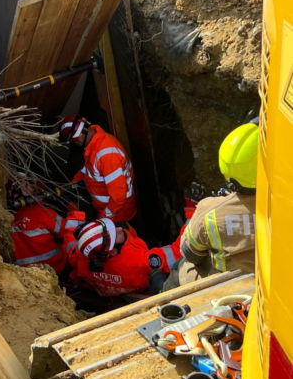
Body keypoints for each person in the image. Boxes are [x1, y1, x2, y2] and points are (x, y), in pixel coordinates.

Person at [163, 123, 258, 290]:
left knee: (179, 269)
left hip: (228, 286)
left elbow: (191, 255)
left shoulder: (210, 211)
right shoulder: (285, 204)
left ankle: (164, 303)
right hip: (275, 280)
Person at [63, 213, 182, 296]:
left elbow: (70, 246)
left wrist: (75, 215)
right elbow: (178, 252)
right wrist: (192, 212)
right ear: (113, 251)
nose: (119, 228)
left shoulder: (80, 255)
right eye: (116, 235)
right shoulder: (138, 261)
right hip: (140, 286)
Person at [58, 115, 136, 222]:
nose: (76, 144)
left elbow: (118, 197)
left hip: (117, 216)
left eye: (74, 142)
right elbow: (87, 171)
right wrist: (71, 184)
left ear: (79, 138)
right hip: (107, 211)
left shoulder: (107, 156)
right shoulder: (95, 145)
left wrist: (103, 220)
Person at [8, 178, 66, 276]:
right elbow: (67, 232)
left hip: (26, 273)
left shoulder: (7, 217)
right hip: (56, 268)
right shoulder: (44, 213)